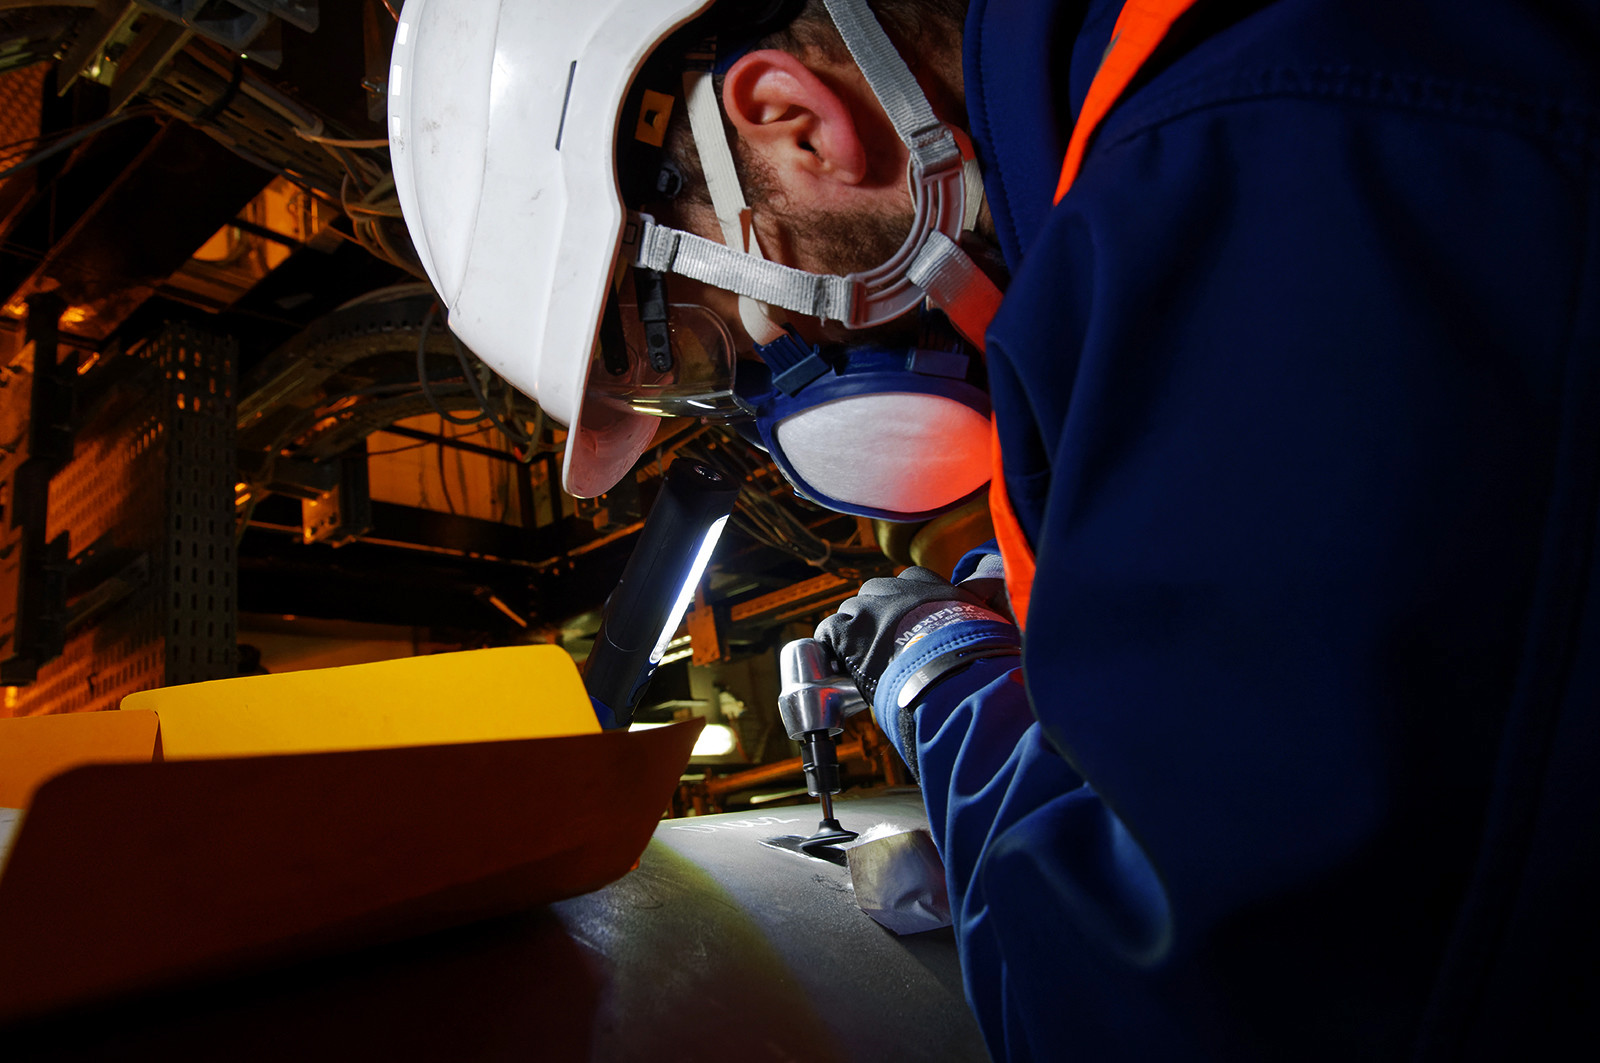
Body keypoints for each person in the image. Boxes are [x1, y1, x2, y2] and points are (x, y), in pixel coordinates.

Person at [389, 0, 1600, 1058]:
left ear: (790, 121)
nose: (759, 407)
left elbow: (1168, 1020)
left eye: (701, 348)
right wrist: (994, 578)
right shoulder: (1194, 123)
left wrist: (939, 666)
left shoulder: (1251, 170)